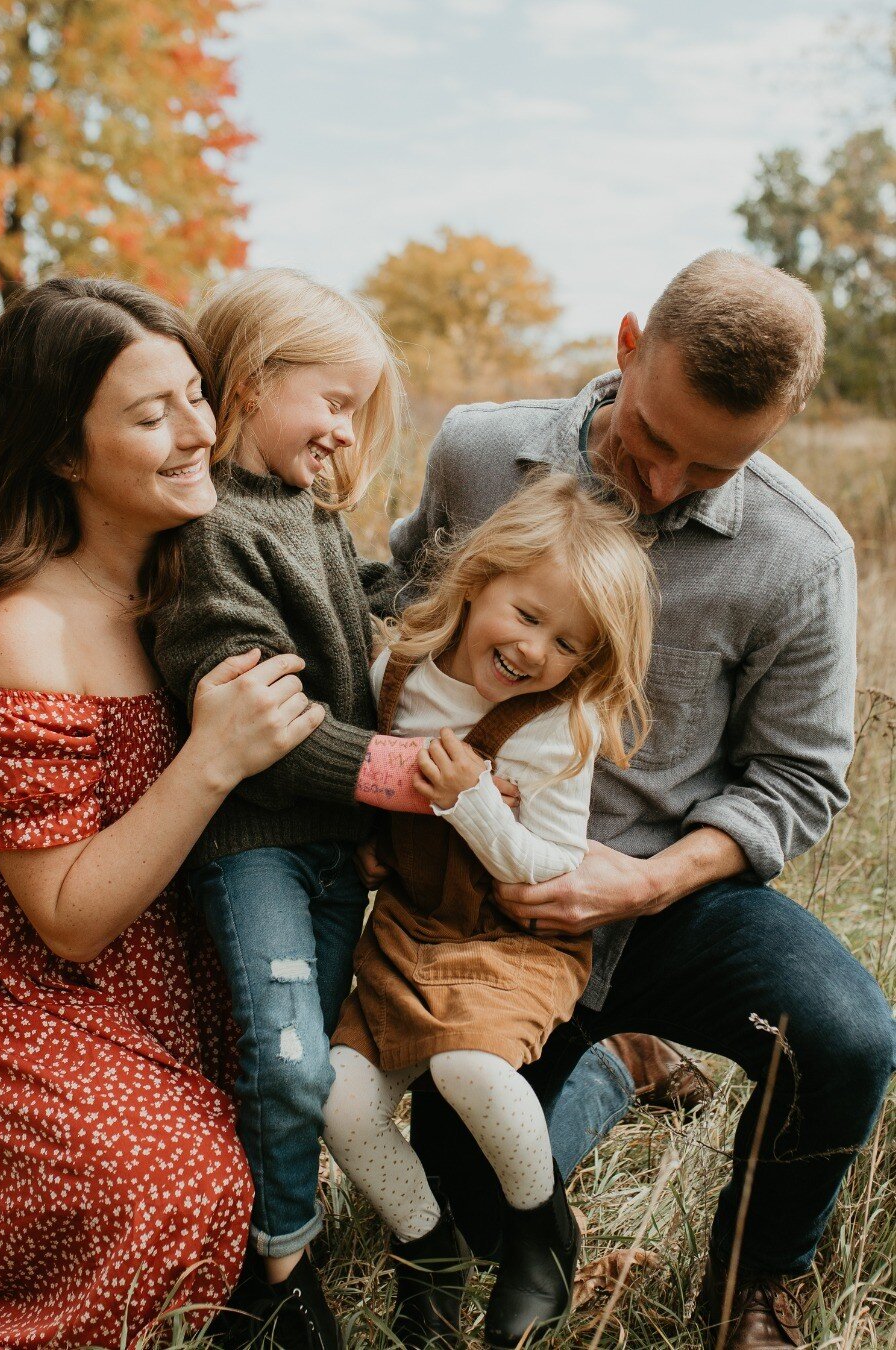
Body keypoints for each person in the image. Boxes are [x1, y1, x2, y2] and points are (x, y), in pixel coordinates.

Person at [390, 251, 896, 1348]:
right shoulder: (481, 452)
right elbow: (399, 605)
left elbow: (803, 779)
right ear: (628, 346)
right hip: (481, 908)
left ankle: (758, 1282)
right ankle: (618, 1064)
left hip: (665, 897)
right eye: (654, 440)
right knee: (478, 1225)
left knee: (849, 1038)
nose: (664, 483)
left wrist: (650, 878)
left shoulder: (803, 556)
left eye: (712, 466)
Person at [0, 277, 329, 1350]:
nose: (197, 432)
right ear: (64, 452)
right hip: (8, 964)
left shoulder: (204, 560)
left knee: (276, 1128)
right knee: (174, 1191)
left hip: (171, 939)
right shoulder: (22, 631)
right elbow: (67, 917)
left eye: (197, 395)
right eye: (151, 416)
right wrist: (210, 759)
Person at [322, 474, 654, 1346]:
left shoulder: (556, 728)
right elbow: (359, 776)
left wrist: (473, 804)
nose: (536, 650)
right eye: (528, 614)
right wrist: (365, 838)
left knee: (468, 1069)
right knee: (339, 1099)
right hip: (406, 932)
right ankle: (426, 1249)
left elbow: (551, 864)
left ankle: (541, 1236)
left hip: (513, 943)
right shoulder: (394, 674)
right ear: (478, 580)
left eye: (568, 644)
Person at [154, 268, 419, 1350]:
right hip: (254, 846)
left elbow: (353, 592)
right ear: (255, 384)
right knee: (290, 1057)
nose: (346, 436)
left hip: (329, 851)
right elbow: (268, 719)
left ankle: (275, 1227)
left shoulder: (300, 510)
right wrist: (407, 778)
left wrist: (447, 601)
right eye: (335, 404)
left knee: (307, 1056)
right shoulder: (212, 528)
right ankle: (272, 1273)